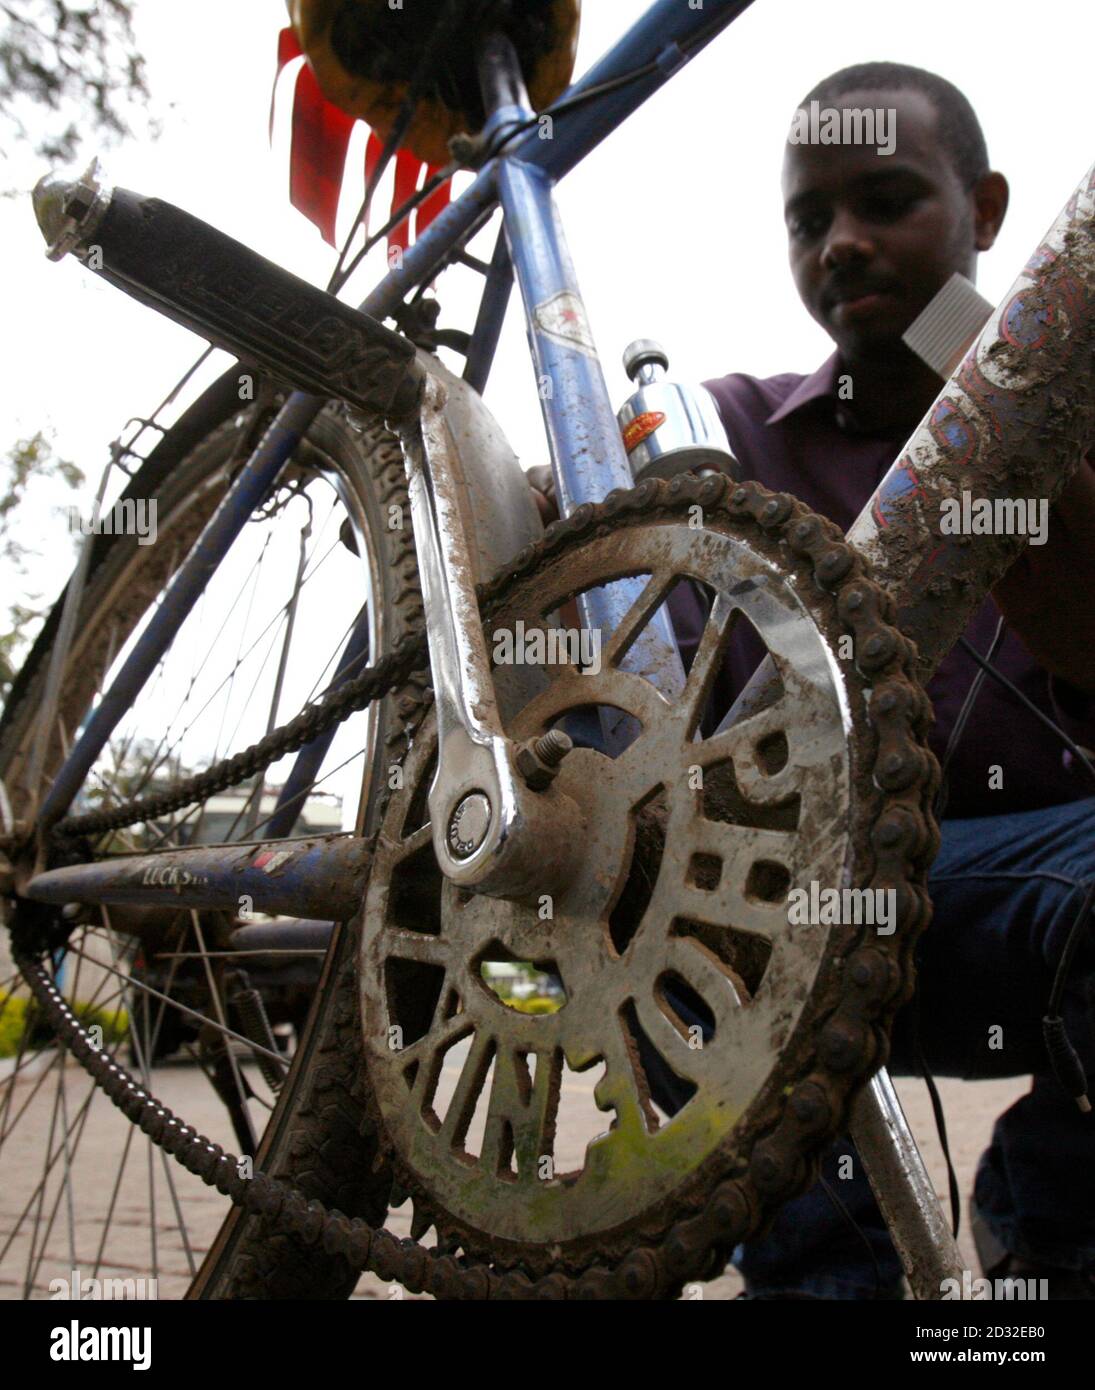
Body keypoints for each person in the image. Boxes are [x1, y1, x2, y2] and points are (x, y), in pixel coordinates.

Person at [529, 60, 1095, 1299]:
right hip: (777, 920)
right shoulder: (727, 435)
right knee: (650, 851)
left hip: (1015, 899)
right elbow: (596, 617)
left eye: (886, 201)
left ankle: (1044, 1236)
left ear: (986, 210)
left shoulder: (1078, 432)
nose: (840, 244)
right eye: (807, 219)